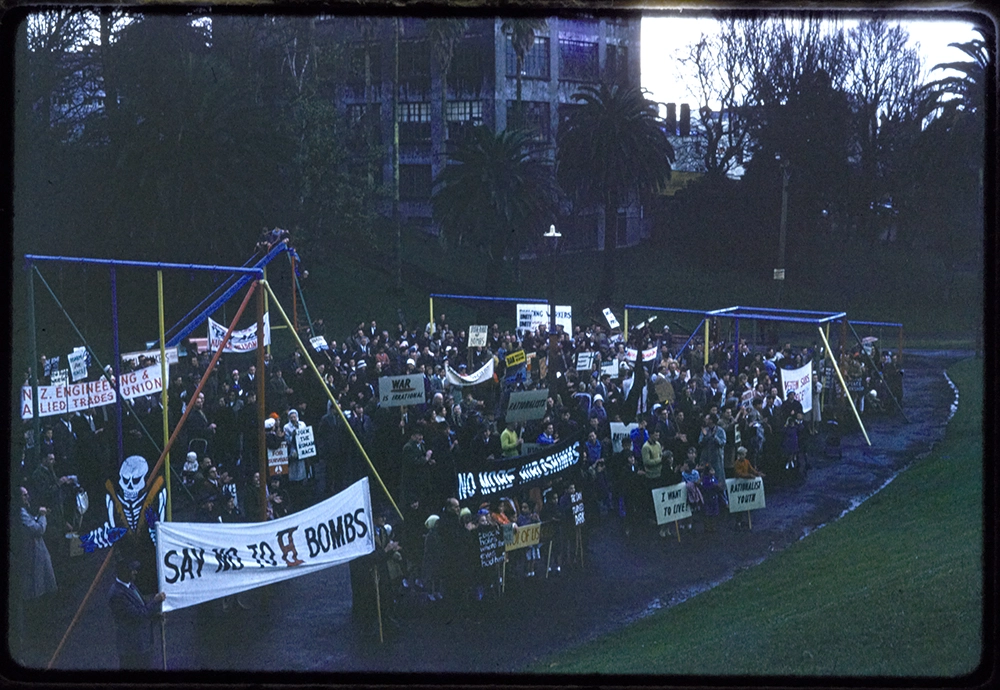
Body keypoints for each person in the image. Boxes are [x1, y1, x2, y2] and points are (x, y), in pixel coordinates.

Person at [107, 557, 166, 669]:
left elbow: (141, 605)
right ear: (124, 572)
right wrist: (155, 601)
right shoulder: (117, 595)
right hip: (132, 649)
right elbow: (138, 615)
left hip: (142, 645)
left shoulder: (130, 586)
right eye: (132, 570)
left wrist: (155, 616)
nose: (135, 572)